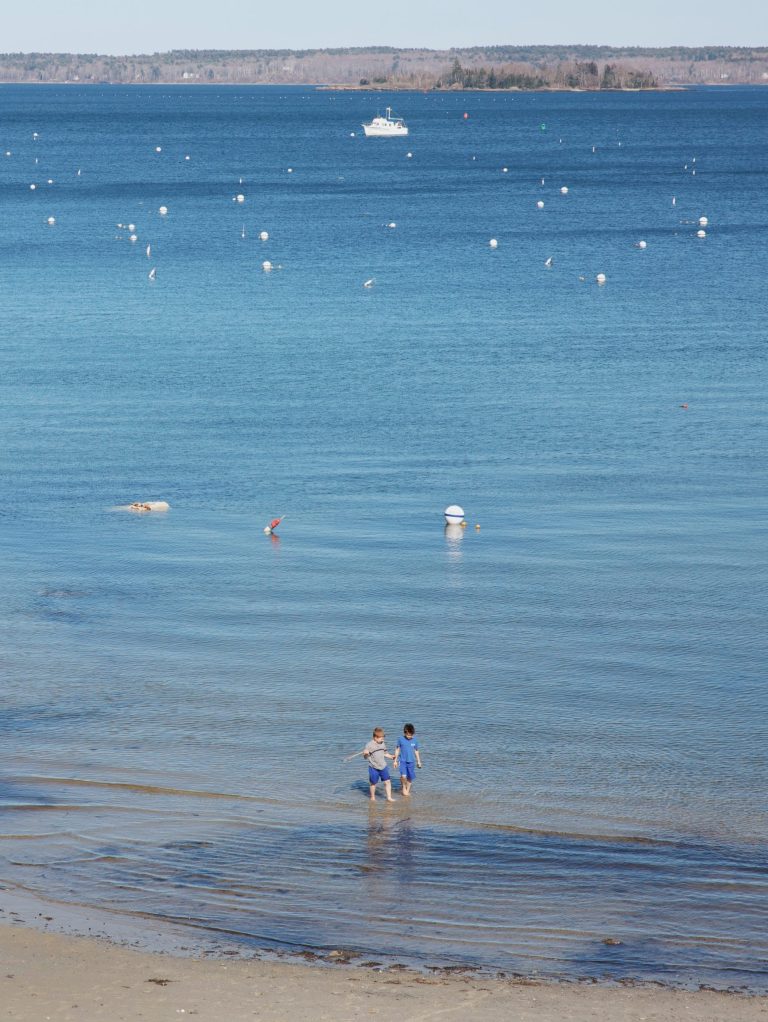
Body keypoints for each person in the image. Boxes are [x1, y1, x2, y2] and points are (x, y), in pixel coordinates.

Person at [363, 727, 395, 802]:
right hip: (373, 767)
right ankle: (373, 797)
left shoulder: (383, 744)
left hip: (383, 766)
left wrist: (391, 756)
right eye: (381, 738)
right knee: (373, 783)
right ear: (375, 737)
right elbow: (365, 757)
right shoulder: (369, 745)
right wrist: (365, 753)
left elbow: (385, 753)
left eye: (383, 738)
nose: (383, 739)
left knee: (387, 781)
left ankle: (389, 797)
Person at [393, 723, 422, 796]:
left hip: (411, 761)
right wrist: (395, 761)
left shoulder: (415, 740)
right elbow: (397, 749)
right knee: (403, 776)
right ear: (405, 732)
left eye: (411, 735)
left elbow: (416, 751)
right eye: (408, 735)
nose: (410, 736)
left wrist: (419, 761)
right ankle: (404, 789)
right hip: (402, 761)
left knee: (410, 777)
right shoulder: (400, 739)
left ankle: (407, 790)